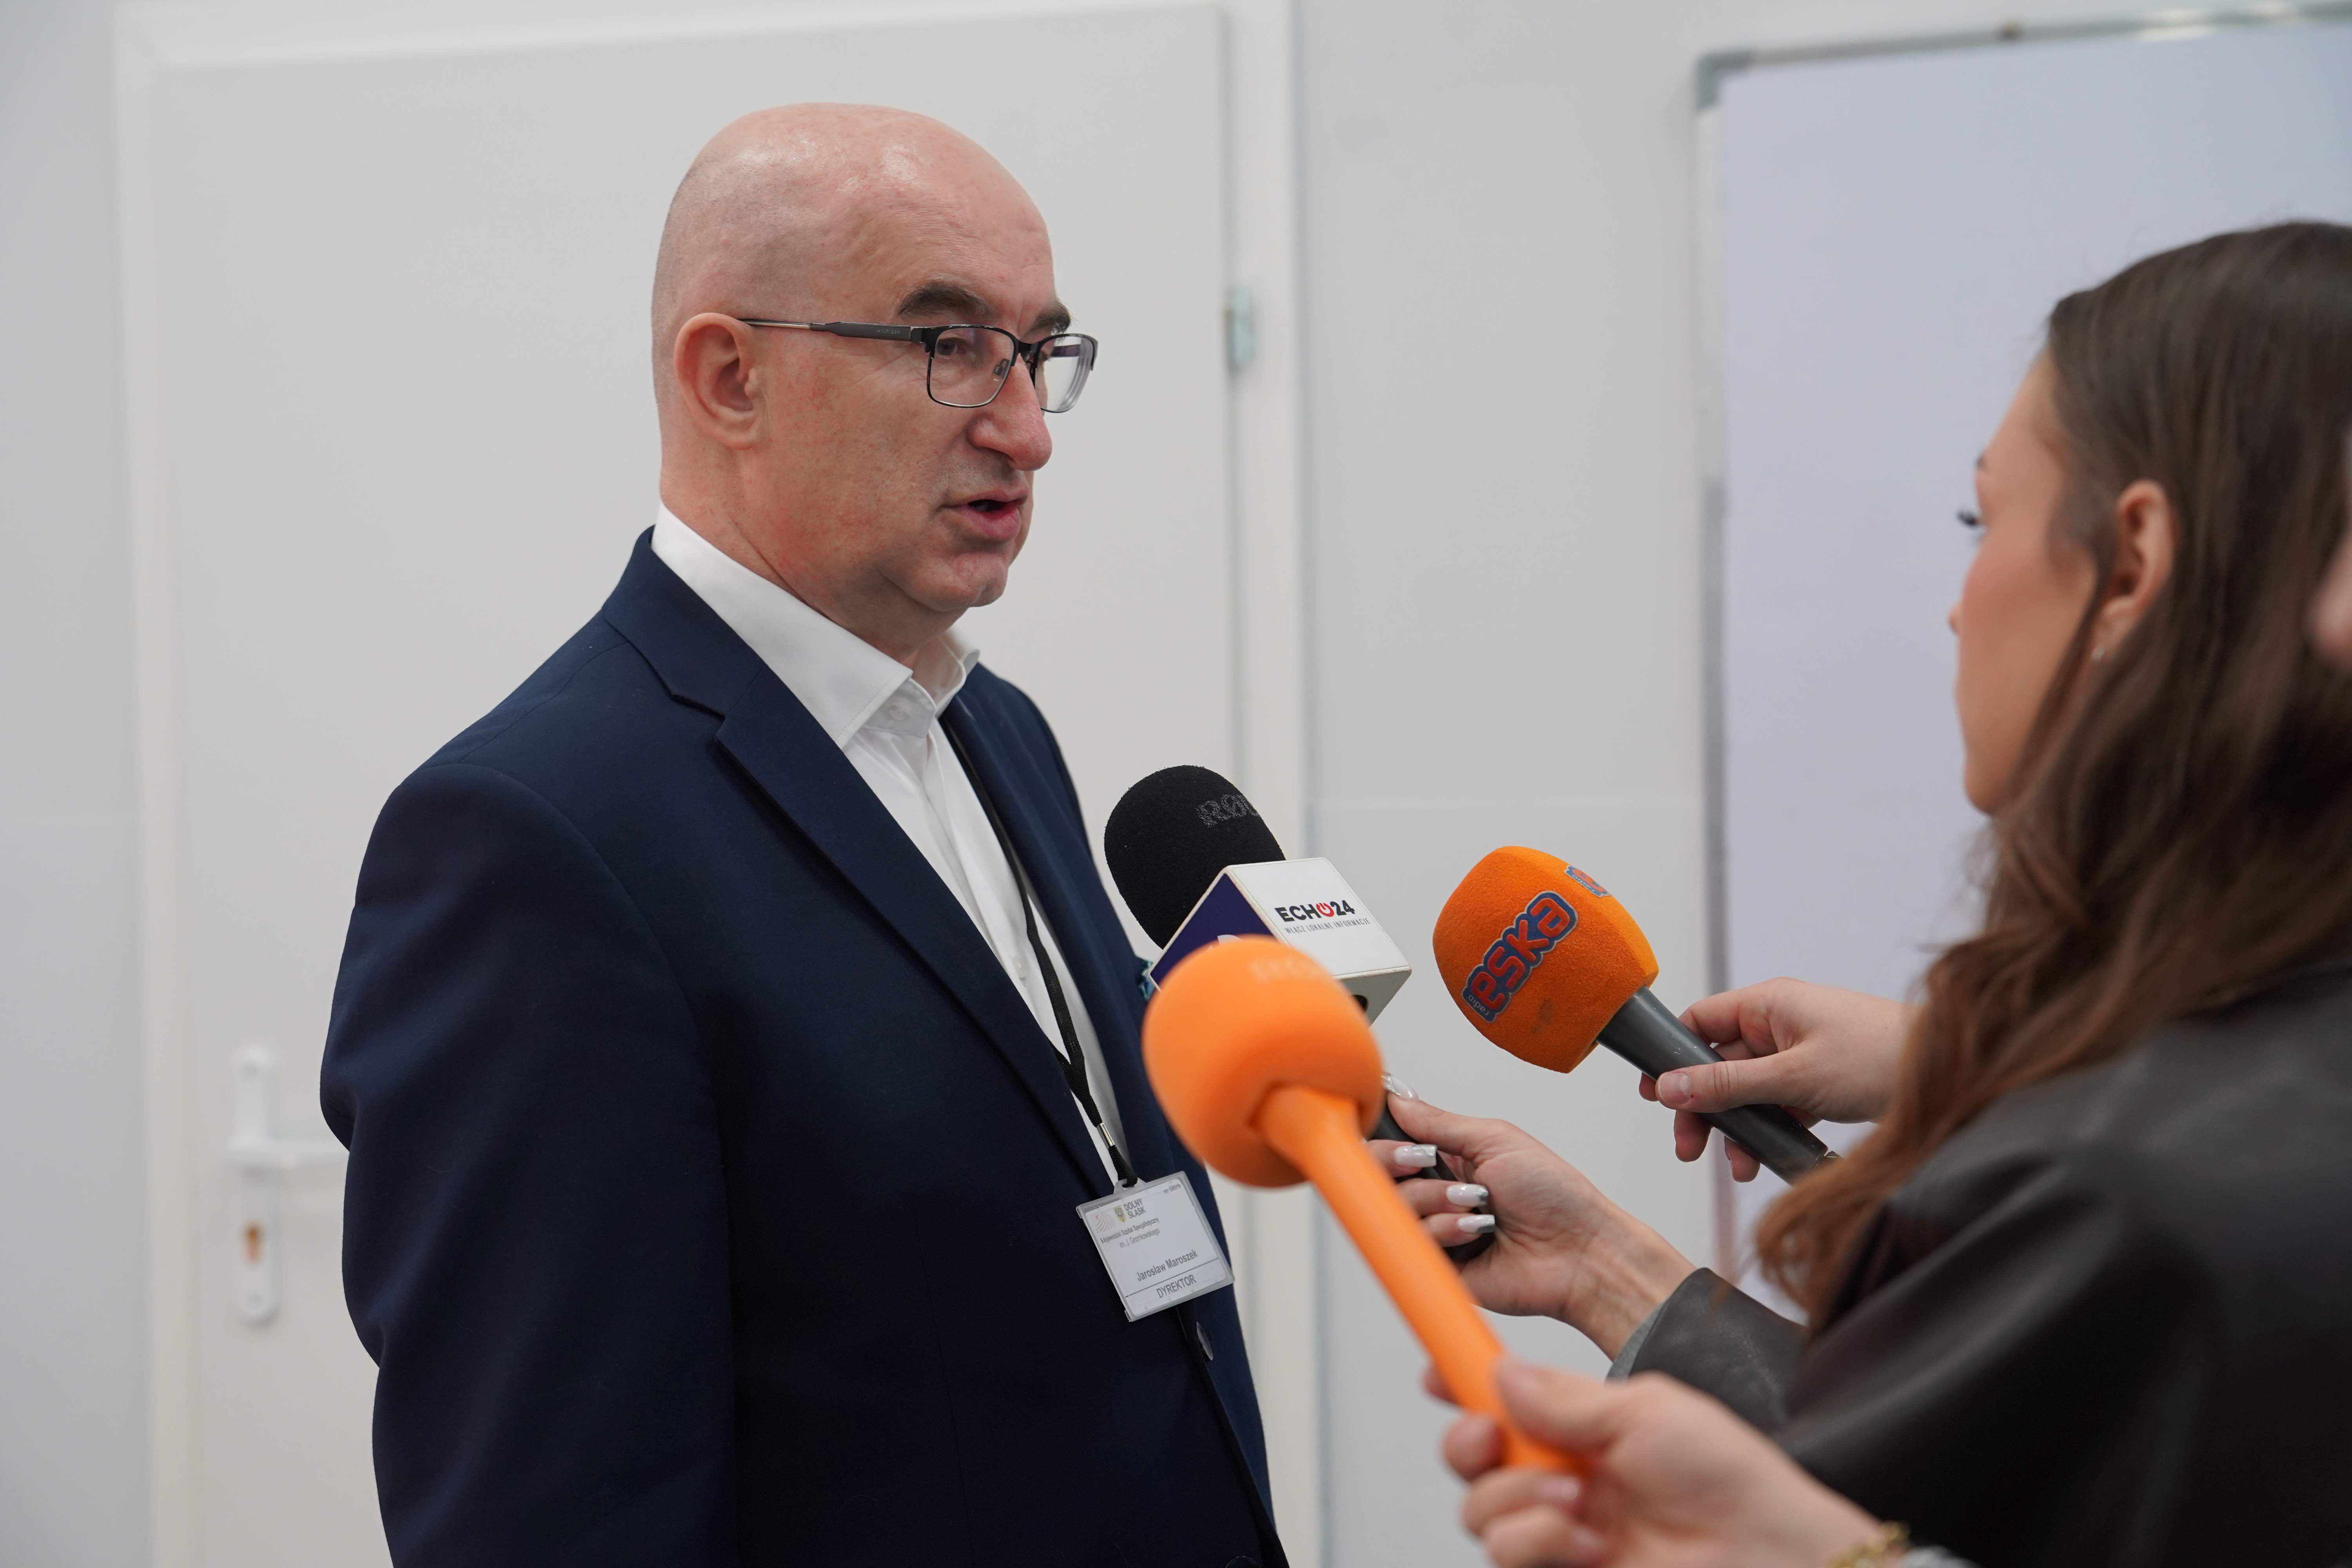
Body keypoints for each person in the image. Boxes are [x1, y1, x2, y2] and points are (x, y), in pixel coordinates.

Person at [320, 105, 1280, 1566]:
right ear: (731, 378)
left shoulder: (995, 729)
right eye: (948, 344)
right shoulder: (530, 841)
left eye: (1039, 353)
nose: (1024, 429)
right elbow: (552, 1513)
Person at [1384, 221, 2352, 1566]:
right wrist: (1610, 1269)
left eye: (1981, 520)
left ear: (2132, 565)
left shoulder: (2123, 1199)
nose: (1959, 605)